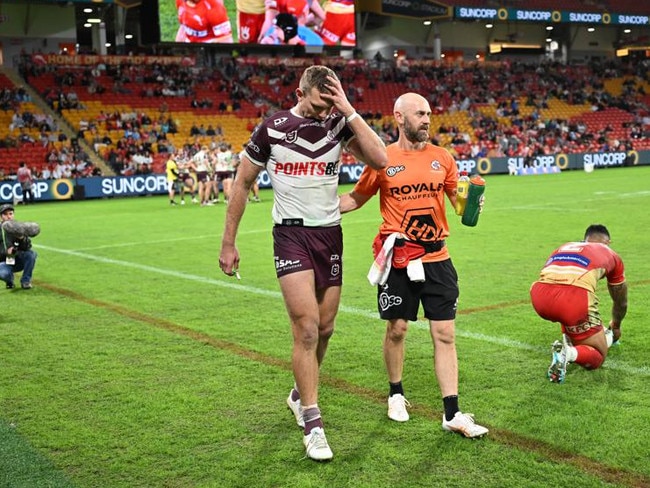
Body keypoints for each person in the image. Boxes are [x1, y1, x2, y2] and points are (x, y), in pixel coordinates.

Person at [218, 65, 387, 461]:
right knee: (307, 329)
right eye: (319, 101)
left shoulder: (337, 124)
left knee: (326, 328)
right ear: (300, 92)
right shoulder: (273, 128)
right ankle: (313, 422)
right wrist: (229, 242)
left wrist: (348, 110)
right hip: (291, 235)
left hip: (329, 234)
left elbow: (380, 159)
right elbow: (242, 183)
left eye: (331, 101)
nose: (323, 110)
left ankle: (298, 395)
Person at [339, 92, 489, 438]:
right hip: (399, 259)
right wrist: (320, 208)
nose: (426, 119)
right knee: (397, 330)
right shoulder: (382, 158)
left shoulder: (443, 158)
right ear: (399, 117)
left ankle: (452, 412)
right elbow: (356, 199)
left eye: (429, 114)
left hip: (438, 258)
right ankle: (396, 394)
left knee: (445, 334)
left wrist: (472, 206)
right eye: (420, 114)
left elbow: (459, 206)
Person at [530, 224, 628, 384]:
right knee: (598, 355)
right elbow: (621, 302)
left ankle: (570, 340)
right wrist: (616, 326)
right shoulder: (611, 255)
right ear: (608, 242)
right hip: (573, 300)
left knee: (571, 317)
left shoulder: (565, 246)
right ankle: (567, 353)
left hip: (539, 295)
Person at [0, 204, 39, 290]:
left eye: (10, 214)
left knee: (31, 254)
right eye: (5, 214)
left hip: (17, 260)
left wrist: (22, 238)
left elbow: (27, 247)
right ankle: (9, 281)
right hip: (4, 262)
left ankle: (26, 281)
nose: (8, 216)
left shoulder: (18, 228)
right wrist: (7, 252)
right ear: (1, 217)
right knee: (3, 273)